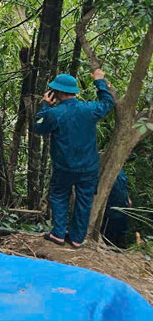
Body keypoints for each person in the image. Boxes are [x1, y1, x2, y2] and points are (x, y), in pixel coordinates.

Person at [33, 69, 115, 248]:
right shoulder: (89, 109)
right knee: (84, 200)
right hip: (88, 168)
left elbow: (38, 127)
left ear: (58, 93)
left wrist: (45, 106)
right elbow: (108, 104)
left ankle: (58, 234)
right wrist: (100, 82)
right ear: (73, 92)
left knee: (60, 196)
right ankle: (77, 239)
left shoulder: (54, 114)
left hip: (64, 167)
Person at [102, 168, 132, 248]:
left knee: (122, 230)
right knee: (109, 230)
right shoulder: (106, 168)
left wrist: (128, 198)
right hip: (110, 206)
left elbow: (124, 186)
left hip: (123, 205)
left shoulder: (121, 171)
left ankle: (121, 247)